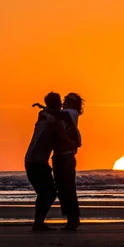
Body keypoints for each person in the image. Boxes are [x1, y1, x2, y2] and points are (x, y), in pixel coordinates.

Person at [24, 92, 77, 231]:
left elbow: (49, 113)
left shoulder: (42, 117)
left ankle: (38, 223)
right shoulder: (54, 121)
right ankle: (38, 223)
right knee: (48, 193)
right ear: (58, 104)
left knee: (46, 193)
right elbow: (65, 138)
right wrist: (75, 144)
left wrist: (45, 109)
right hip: (37, 162)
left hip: (32, 160)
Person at [52, 92, 84, 230]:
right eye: (65, 99)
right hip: (60, 155)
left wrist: (47, 109)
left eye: (69, 100)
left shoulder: (72, 112)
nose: (66, 102)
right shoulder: (64, 114)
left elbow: (60, 114)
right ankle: (71, 218)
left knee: (68, 188)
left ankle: (73, 218)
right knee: (62, 189)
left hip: (66, 156)